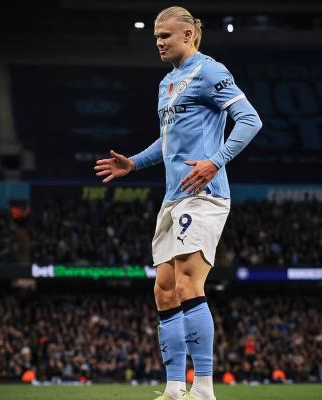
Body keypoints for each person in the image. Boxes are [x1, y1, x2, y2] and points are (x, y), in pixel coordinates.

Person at [94, 6, 262, 400]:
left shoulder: (210, 71)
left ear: (188, 34)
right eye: (156, 37)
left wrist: (215, 161)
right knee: (165, 290)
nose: (158, 42)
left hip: (203, 195)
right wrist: (134, 163)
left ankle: (203, 389)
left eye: (164, 36)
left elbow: (250, 120)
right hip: (173, 198)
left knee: (188, 284)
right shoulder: (167, 82)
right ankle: (173, 388)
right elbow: (168, 141)